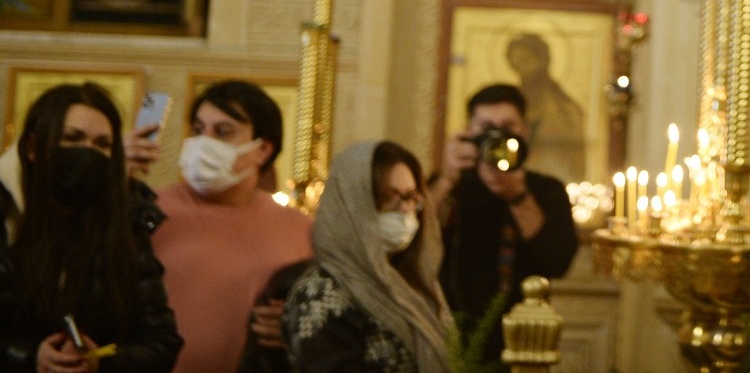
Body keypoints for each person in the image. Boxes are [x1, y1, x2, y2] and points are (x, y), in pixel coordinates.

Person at [0, 82, 182, 373]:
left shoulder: (125, 224)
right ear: (34, 148)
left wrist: (102, 359)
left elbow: (161, 342)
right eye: (72, 138)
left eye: (102, 144)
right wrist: (31, 357)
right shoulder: (7, 218)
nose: (87, 153)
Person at [152, 80, 312, 373]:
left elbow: (319, 319)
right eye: (199, 130)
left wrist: (296, 328)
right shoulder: (150, 211)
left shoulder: (300, 229)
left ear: (262, 149)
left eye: (223, 132)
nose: (204, 142)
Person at [428, 83, 577, 356]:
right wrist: (447, 179)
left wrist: (518, 196)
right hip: (446, 335)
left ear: (525, 132)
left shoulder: (546, 190)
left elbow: (558, 262)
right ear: (469, 133)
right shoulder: (449, 186)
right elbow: (412, 242)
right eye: (486, 129)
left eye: (507, 128)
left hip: (521, 340)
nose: (497, 137)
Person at [282, 141, 450, 372]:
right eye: (388, 198)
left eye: (410, 196)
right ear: (351, 204)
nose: (404, 210)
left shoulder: (414, 284)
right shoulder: (322, 292)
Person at [507, 32, 587, 181]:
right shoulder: (508, 107)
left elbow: (576, 163)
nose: (522, 69)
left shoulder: (566, 109)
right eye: (516, 63)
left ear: (543, 60)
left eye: (526, 60)